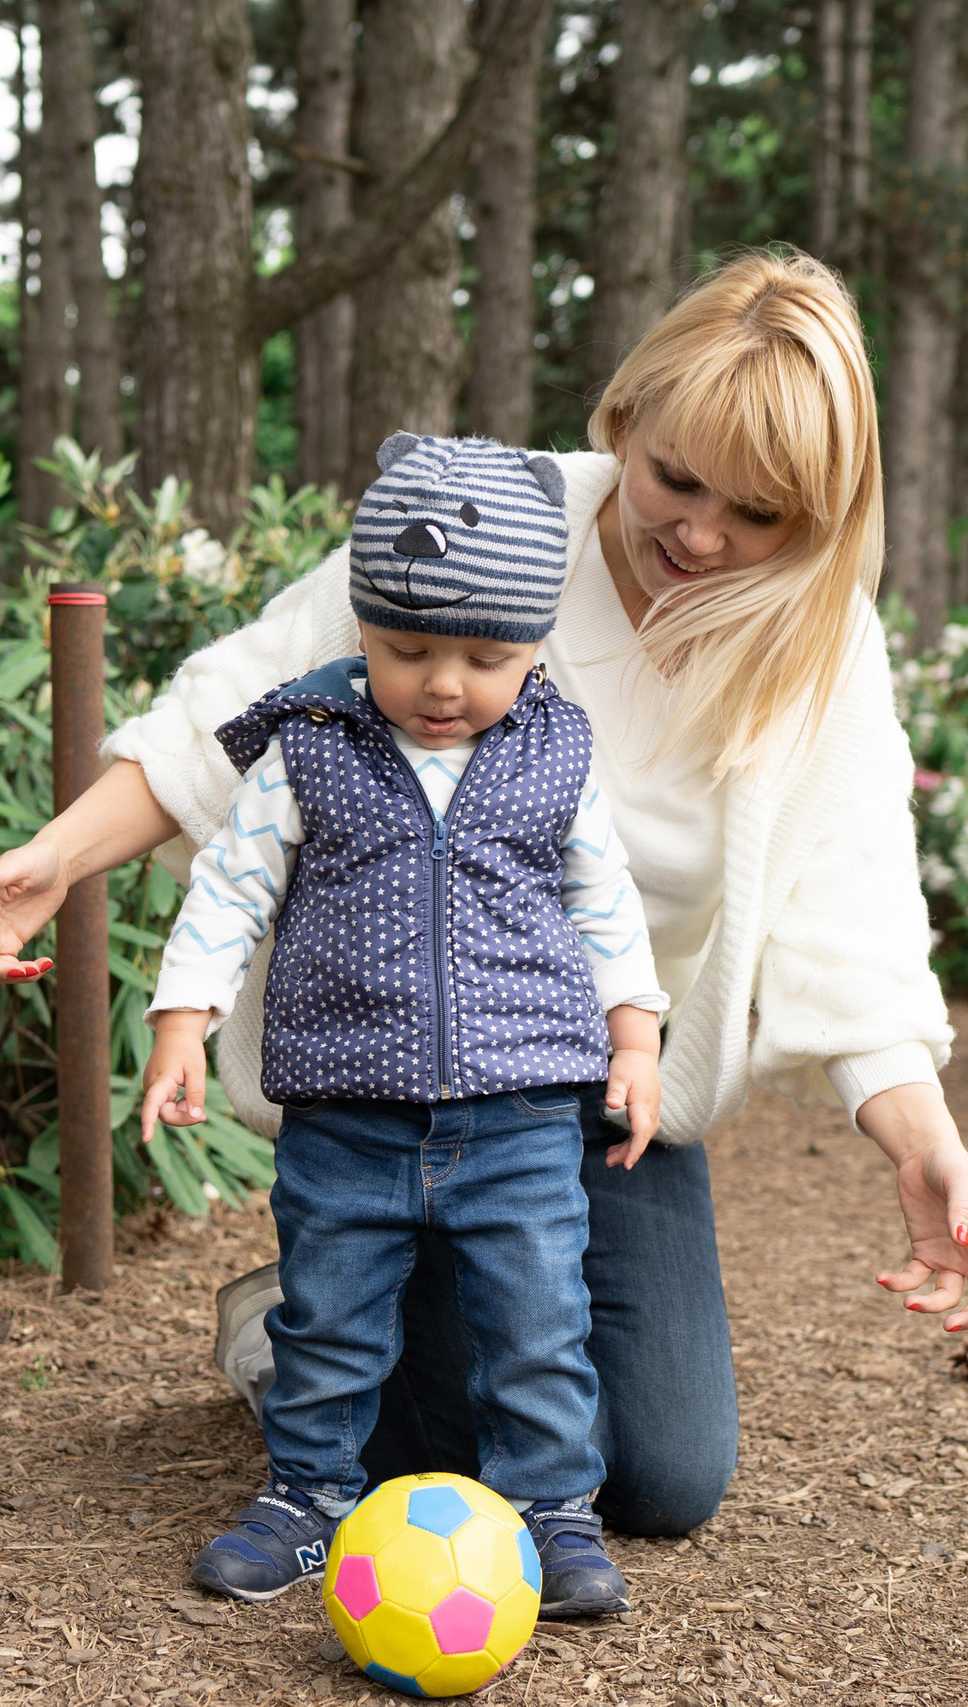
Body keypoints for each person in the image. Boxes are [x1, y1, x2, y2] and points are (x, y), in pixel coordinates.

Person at [0, 249, 968, 1543]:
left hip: (588, 1087)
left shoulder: (818, 636)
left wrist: (922, 1143)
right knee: (429, 1452)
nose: (698, 533)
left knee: (659, 1474)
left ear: (823, 514)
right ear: (625, 418)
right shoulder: (484, 519)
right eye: (676, 479)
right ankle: (323, 1311)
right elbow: (229, 723)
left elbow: (851, 914)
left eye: (757, 513)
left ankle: (383, 1305)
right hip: (387, 1067)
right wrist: (53, 860)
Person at [136, 431, 667, 1614]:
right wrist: (183, 1019)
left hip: (522, 1111)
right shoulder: (310, 744)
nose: (443, 683)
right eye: (406, 648)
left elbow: (604, 899)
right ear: (360, 630)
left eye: (485, 656)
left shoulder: (557, 748)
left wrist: (634, 1038)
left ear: (534, 645)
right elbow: (230, 884)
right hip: (348, 1112)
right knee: (328, 1317)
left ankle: (552, 1511)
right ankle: (306, 1498)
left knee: (538, 1321)